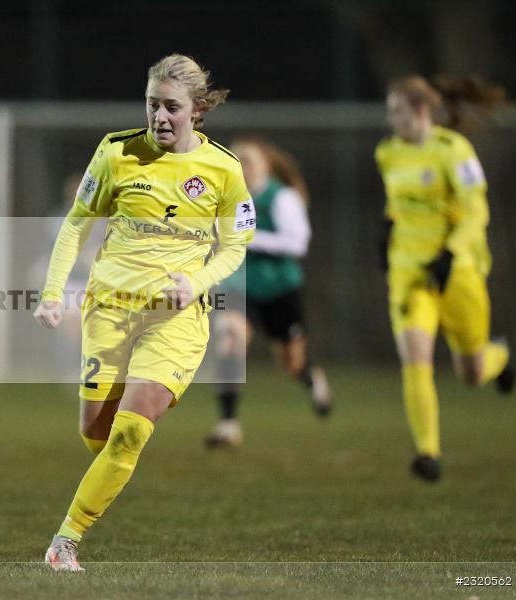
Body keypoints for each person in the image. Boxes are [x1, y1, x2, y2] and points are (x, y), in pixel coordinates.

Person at [33, 54, 254, 571]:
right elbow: (75, 224)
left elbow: (236, 245)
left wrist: (196, 281)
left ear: (197, 110)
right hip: (108, 309)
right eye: (152, 103)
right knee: (98, 435)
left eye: (171, 107)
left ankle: (65, 541)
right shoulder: (115, 153)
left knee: (130, 432)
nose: (159, 116)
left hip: (176, 319)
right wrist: (51, 292)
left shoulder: (224, 169)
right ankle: (110, 468)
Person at [375, 75, 516, 483]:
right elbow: (395, 203)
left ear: (420, 111)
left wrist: (450, 253)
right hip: (410, 274)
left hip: (459, 272)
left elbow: (476, 213)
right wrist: (386, 230)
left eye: (396, 110)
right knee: (415, 358)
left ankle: (499, 358)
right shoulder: (388, 152)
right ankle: (428, 452)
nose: (390, 118)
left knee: (470, 373)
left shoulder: (455, 151)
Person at [205, 136, 331, 449]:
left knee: (291, 362)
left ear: (266, 165)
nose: (242, 166)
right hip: (237, 285)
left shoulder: (281, 198)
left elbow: (297, 243)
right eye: (237, 159)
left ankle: (311, 374)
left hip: (278, 288)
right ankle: (228, 423)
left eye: (248, 159)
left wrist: (249, 238)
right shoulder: (224, 196)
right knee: (229, 338)